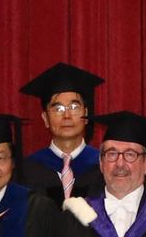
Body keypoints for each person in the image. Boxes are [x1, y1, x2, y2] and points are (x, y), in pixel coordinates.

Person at [16, 61, 105, 200]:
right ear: (45, 118)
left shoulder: (104, 166)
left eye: (74, 107)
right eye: (58, 109)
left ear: (86, 115)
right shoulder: (26, 169)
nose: (67, 115)